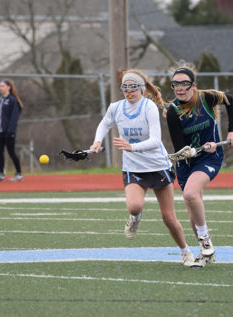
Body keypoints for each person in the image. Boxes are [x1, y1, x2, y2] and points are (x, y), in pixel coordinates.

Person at [90, 69, 195, 267]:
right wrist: (96, 142)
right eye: (125, 88)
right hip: (133, 167)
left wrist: (131, 147)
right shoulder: (116, 107)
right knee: (134, 206)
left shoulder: (149, 107)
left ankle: (185, 251)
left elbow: (155, 141)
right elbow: (104, 124)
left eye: (132, 88)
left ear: (140, 89)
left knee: (168, 218)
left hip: (157, 165)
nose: (128, 92)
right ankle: (135, 218)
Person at [165, 61, 233, 267]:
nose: (179, 88)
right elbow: (180, 146)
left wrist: (231, 131)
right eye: (175, 84)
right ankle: (206, 252)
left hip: (209, 158)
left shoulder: (207, 97)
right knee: (192, 208)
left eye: (184, 84)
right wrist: (192, 149)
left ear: (193, 85)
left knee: (190, 194)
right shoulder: (172, 111)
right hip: (186, 162)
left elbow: (230, 100)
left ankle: (206, 243)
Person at [0, 79, 24, 182]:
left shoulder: (12, 100)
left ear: (8, 87)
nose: (1, 88)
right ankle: (1, 173)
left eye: (3, 86)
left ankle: (19, 173)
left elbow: (14, 118)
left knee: (11, 152)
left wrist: (10, 131)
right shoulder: (0, 100)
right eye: (0, 86)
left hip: (9, 133)